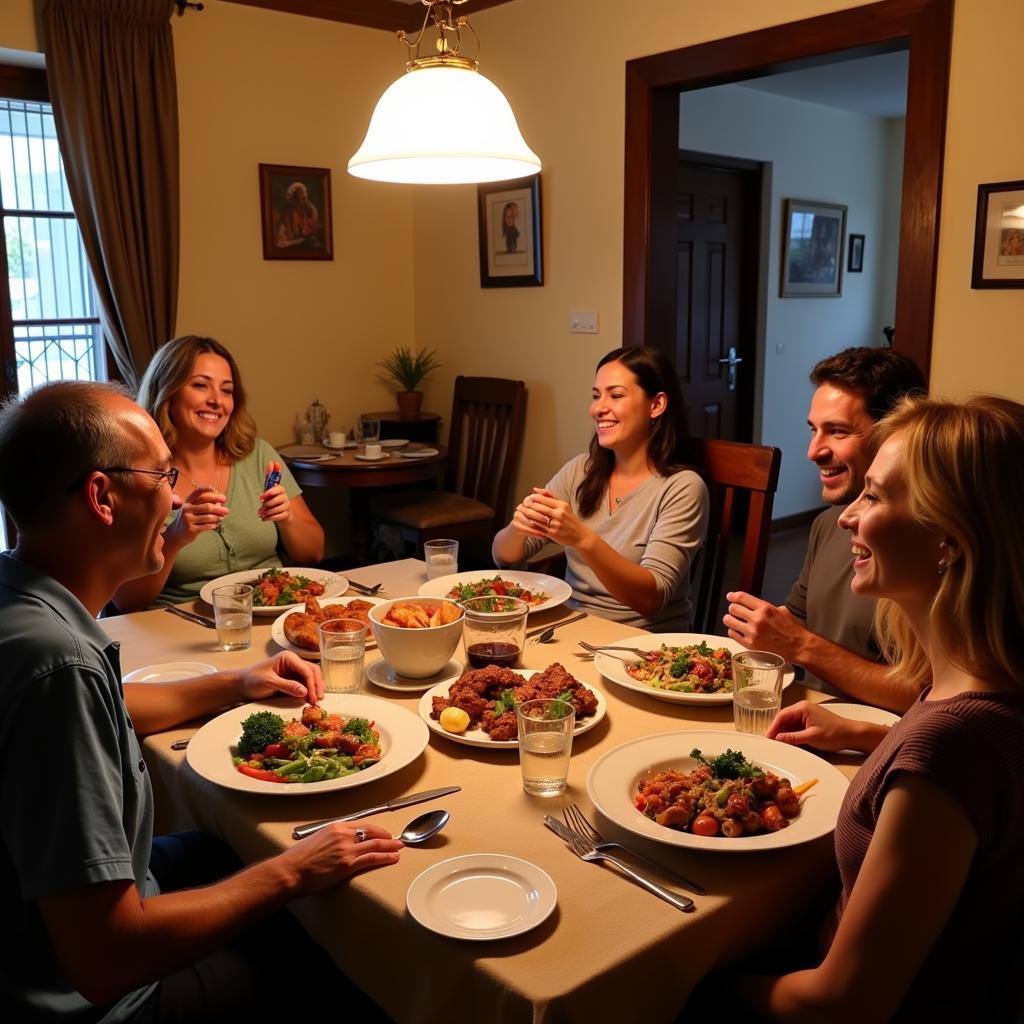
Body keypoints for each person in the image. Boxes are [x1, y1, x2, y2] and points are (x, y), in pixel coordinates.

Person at [0, 381, 402, 1021]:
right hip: (96, 996)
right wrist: (293, 872)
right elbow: (106, 957)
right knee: (349, 960)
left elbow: (110, 710)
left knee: (235, 846)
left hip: (77, 911)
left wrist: (235, 683)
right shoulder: (58, 668)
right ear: (102, 497)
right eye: (162, 474)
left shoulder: (23, 598)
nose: (178, 495)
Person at [733, 395, 1024, 1021]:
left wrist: (686, 987)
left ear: (950, 534)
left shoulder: (951, 747)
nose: (846, 519)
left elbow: (842, 1004)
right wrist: (870, 736)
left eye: (875, 497)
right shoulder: (981, 688)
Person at [723, 346, 925, 710]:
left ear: (892, 434)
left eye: (837, 431)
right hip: (806, 720)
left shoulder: (927, 547)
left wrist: (802, 646)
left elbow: (927, 696)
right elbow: (796, 621)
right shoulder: (828, 523)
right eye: (814, 430)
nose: (814, 450)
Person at [492, 346, 709, 631]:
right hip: (571, 630)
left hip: (643, 647)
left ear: (656, 405)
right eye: (596, 396)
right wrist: (518, 529)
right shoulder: (581, 470)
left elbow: (651, 599)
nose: (597, 408)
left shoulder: (682, 488)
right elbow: (505, 556)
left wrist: (583, 539)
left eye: (615, 395)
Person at [113, 335, 324, 610]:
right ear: (167, 393)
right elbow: (127, 600)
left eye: (226, 391)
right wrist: (176, 538)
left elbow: (314, 555)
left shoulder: (258, 456)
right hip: (182, 625)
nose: (216, 400)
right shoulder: (139, 474)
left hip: (272, 614)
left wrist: (288, 518)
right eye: (200, 386)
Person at [274, 180, 321, 250]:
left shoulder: (310, 210)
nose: (301, 201)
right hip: (291, 246)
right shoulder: (286, 214)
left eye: (303, 198)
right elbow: (281, 242)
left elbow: (313, 229)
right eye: (297, 198)